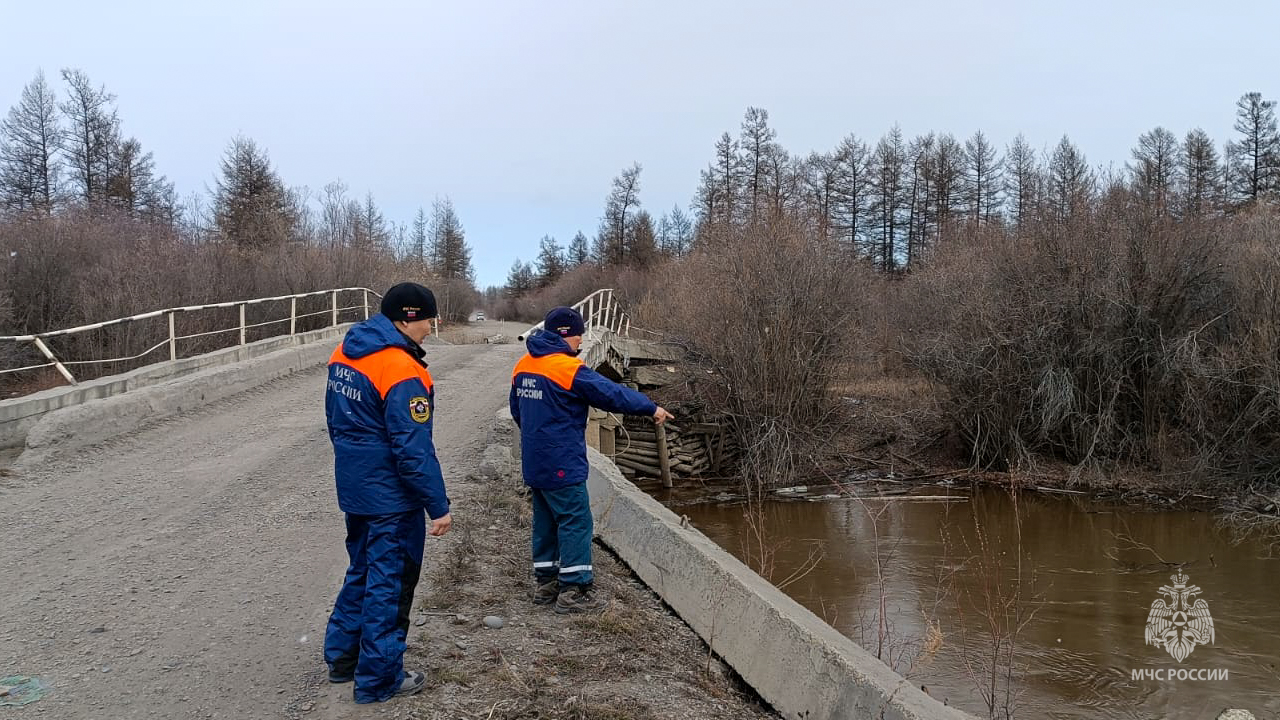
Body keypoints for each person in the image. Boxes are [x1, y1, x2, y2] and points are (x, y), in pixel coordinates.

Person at [322, 282, 452, 703]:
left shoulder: (345, 353)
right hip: (391, 497)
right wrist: (438, 505)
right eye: (430, 320)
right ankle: (380, 678)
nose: (432, 329)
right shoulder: (401, 369)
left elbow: (337, 421)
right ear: (409, 318)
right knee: (390, 581)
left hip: (356, 486)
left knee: (361, 569)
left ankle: (343, 658)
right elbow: (413, 450)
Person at [510, 306, 673, 614]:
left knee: (545, 520)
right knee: (575, 520)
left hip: (535, 460)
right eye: (578, 336)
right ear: (567, 336)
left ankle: (546, 585)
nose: (581, 342)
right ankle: (573, 591)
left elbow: (517, 412)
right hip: (562, 461)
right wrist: (650, 408)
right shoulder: (568, 369)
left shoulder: (523, 365)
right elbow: (612, 394)